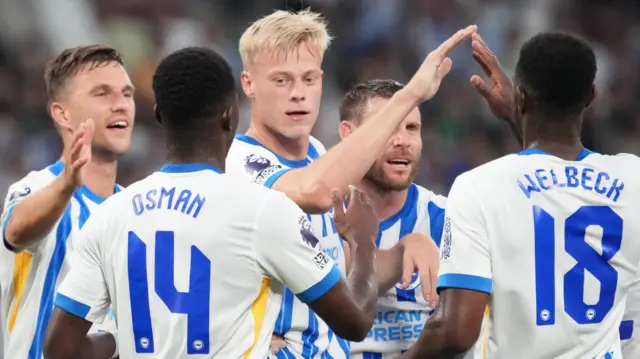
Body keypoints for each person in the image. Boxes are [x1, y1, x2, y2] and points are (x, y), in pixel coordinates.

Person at [42, 46, 385, 359]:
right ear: (230, 116)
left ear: (160, 115)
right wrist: (363, 241)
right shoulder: (263, 210)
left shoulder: (108, 217)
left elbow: (59, 350)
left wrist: (120, 337)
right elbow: (354, 320)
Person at [226, 9, 476, 358]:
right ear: (249, 84)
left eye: (309, 79)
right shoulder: (239, 161)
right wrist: (408, 97)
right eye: (281, 80)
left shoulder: (316, 153)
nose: (299, 94)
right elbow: (311, 193)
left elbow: (337, 269)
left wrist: (404, 249)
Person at [398, 32, 640, 359]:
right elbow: (561, 183)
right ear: (592, 96)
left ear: (521, 97)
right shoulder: (632, 178)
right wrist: (519, 116)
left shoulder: (478, 187)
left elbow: (455, 331)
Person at [0, 44, 134, 359]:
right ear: (63, 113)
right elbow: (17, 231)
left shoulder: (137, 209)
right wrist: (67, 184)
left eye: (126, 93)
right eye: (102, 94)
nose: (121, 105)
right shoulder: (39, 187)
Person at [336, 79, 445, 358]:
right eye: (387, 127)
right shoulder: (317, 217)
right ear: (349, 134)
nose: (403, 142)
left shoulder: (447, 220)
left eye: (411, 128)